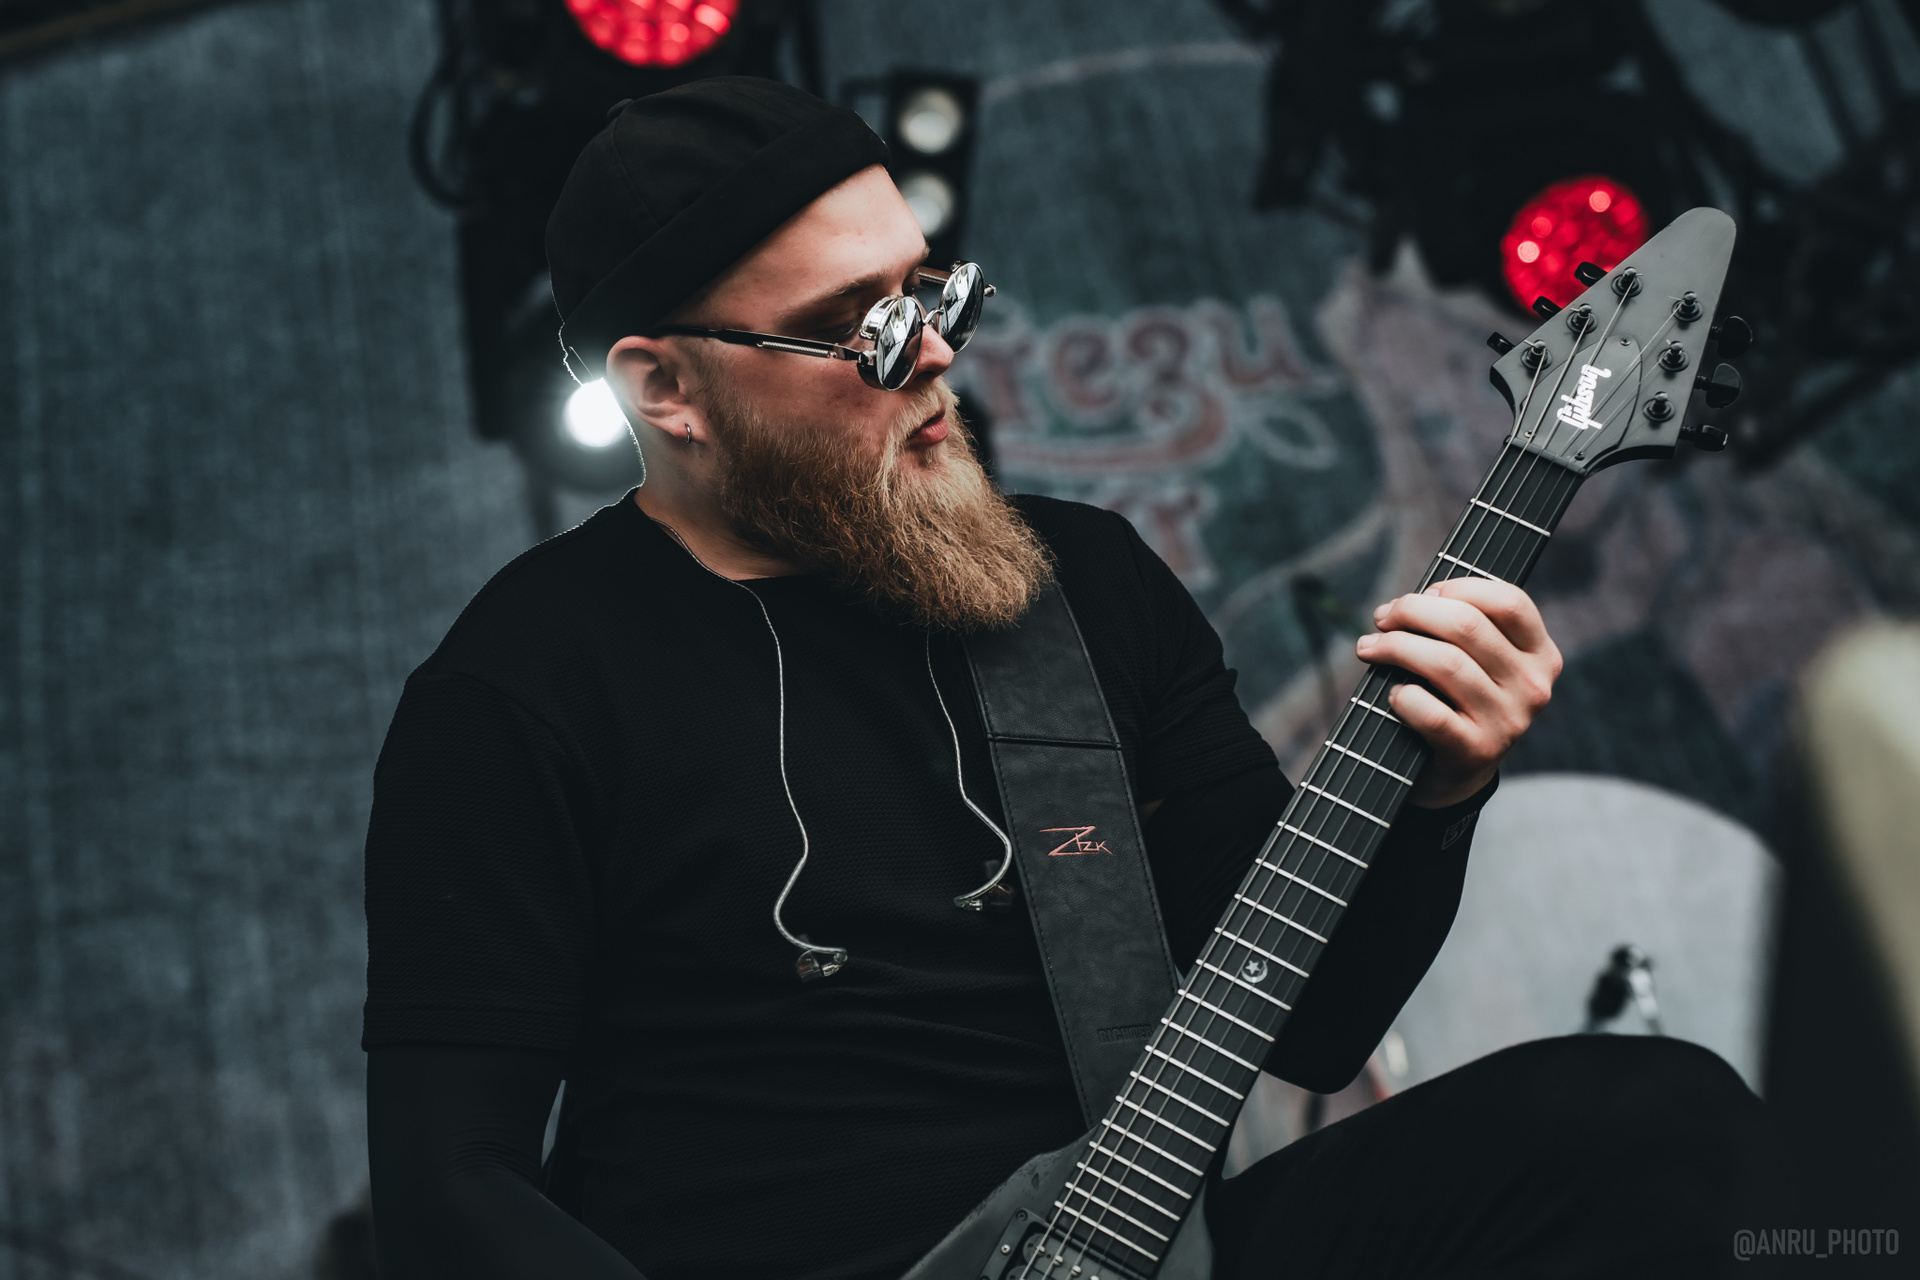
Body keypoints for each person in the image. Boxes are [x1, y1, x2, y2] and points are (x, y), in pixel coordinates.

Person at [363, 78, 1760, 1280]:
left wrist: (1444, 790)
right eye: (860, 326)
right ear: (667, 390)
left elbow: (1318, 1023)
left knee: (1651, 1124)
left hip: (1139, 1241)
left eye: (928, 290)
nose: (936, 351)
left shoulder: (1076, 583)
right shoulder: (520, 685)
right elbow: (451, 1188)